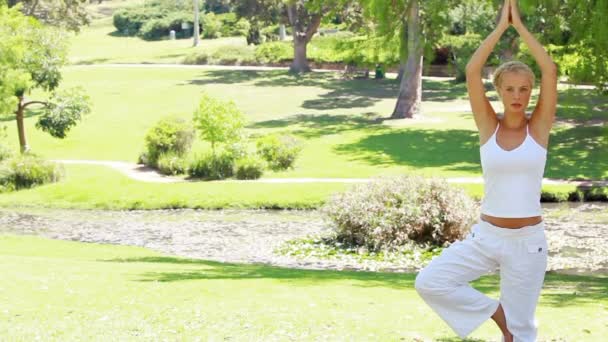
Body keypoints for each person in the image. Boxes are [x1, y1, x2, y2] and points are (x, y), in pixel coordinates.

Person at [414, 0, 558, 341]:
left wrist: (519, 26)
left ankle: (510, 325)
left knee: (520, 334)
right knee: (431, 281)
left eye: (524, 88)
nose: (517, 95)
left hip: (527, 243)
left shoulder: (537, 129)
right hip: (487, 237)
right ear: (499, 91)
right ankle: (496, 312)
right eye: (509, 88)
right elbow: (472, 71)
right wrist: (500, 27)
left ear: (532, 91)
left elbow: (549, 70)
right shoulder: (488, 127)